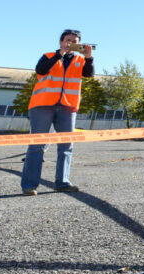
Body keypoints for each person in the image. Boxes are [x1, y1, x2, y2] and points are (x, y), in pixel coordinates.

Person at [20, 29, 94, 195]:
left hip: (67, 107)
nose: (70, 43)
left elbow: (89, 74)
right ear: (61, 42)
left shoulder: (81, 60)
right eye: (68, 40)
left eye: (74, 41)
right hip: (42, 105)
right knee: (37, 145)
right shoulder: (48, 56)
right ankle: (29, 185)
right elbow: (41, 70)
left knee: (67, 146)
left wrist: (89, 58)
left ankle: (62, 182)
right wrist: (59, 55)